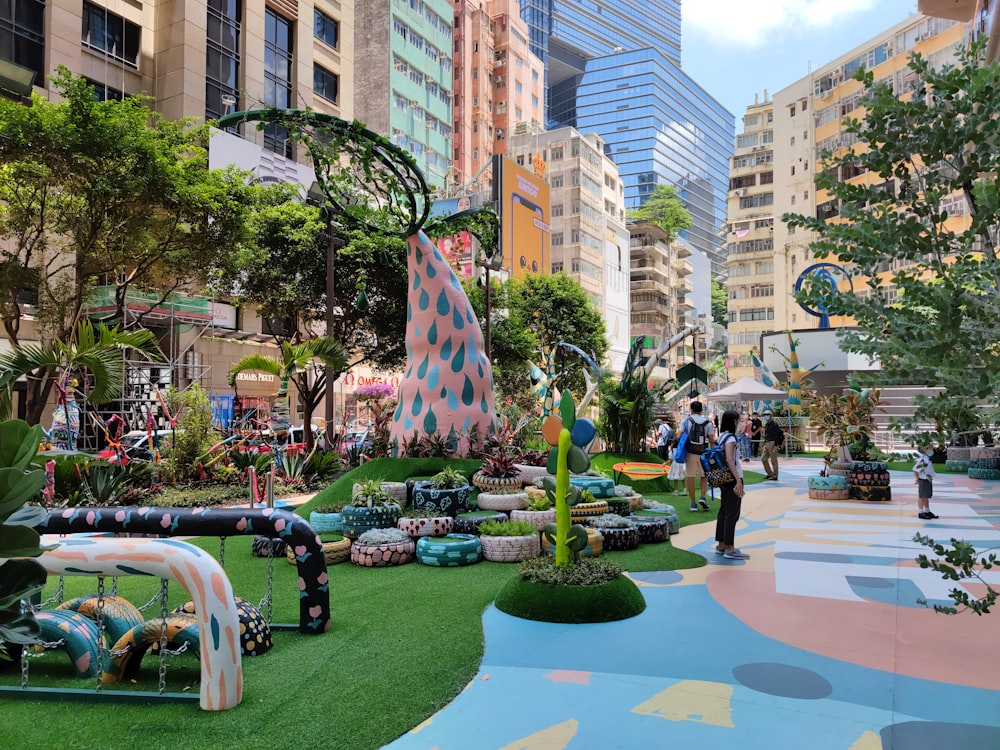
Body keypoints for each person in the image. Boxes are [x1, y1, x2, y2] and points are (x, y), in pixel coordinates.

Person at [713, 409, 749, 560]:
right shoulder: (731, 439)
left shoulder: (721, 436)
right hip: (732, 478)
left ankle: (721, 544)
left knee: (724, 510)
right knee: (731, 513)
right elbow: (729, 459)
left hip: (723, 478)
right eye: (739, 420)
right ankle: (729, 548)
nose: (740, 423)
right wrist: (738, 480)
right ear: (733, 421)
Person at [680, 401, 715, 512]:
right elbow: (712, 440)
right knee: (704, 476)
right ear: (701, 410)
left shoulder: (685, 421)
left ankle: (693, 504)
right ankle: (703, 497)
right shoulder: (707, 423)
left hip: (690, 453)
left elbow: (679, 436)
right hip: (703, 453)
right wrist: (713, 453)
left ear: (691, 409)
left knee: (690, 477)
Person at [913, 446, 939, 519]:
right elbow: (915, 470)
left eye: (932, 449)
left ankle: (927, 511)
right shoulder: (922, 460)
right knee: (922, 496)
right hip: (923, 479)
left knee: (926, 496)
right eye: (929, 449)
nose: (931, 450)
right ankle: (921, 512)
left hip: (928, 479)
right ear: (925, 450)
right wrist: (917, 478)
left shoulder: (928, 459)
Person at [761, 410, 782, 480]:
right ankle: (769, 473)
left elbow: (777, 435)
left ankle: (775, 475)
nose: (766, 416)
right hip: (767, 442)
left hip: (772, 442)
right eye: (765, 415)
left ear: (771, 415)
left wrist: (776, 446)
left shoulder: (774, 424)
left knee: (773, 460)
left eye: (767, 414)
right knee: (763, 459)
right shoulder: (767, 424)